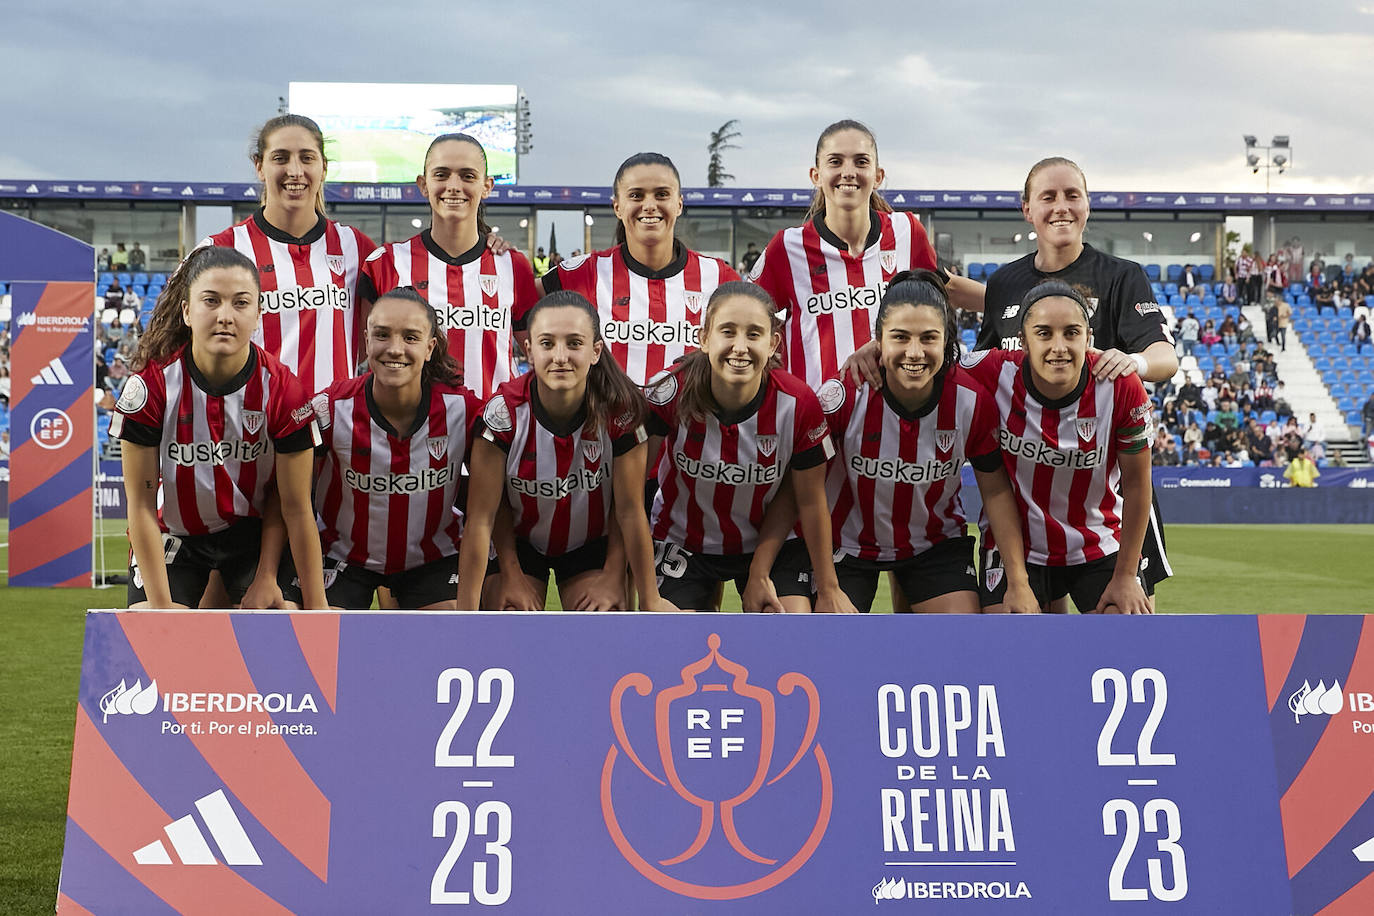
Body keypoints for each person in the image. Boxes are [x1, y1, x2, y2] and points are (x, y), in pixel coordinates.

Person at [972, 157, 1176, 605]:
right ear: (1027, 209)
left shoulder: (1122, 275)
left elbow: (1165, 356)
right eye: (1048, 196)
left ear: (1088, 205)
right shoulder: (1004, 283)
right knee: (1040, 648)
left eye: (1072, 195)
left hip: (1105, 493)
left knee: (1128, 627)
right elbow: (982, 366)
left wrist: (1132, 364)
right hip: (1028, 500)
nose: (1061, 207)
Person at [109, 246, 324, 610]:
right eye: (211, 301)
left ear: (258, 314)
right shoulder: (151, 388)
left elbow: (296, 507)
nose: (225, 315)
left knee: (280, 618)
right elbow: (141, 508)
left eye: (240, 303)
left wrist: (304, 603)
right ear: (187, 311)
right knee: (149, 624)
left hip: (253, 538)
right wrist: (163, 611)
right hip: (175, 536)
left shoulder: (285, 390)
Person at [820, 271, 1036, 613]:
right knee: (830, 647)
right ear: (878, 339)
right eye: (900, 337)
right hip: (846, 545)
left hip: (935, 546)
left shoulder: (971, 400)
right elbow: (805, 488)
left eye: (929, 338)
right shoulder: (846, 393)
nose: (915, 352)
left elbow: (995, 491)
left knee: (955, 644)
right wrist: (826, 583)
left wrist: (1019, 581)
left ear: (947, 340)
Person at [643, 282, 854, 613]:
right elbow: (629, 490)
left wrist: (828, 588)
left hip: (772, 541)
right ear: (703, 338)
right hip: (683, 541)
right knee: (675, 641)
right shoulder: (670, 391)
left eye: (754, 335)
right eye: (728, 332)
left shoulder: (798, 403)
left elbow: (809, 500)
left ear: (773, 344)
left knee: (788, 630)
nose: (739, 347)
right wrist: (630, 582)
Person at [457, 291, 671, 612]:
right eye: (547, 343)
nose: (560, 356)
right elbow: (483, 518)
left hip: (592, 544)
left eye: (574, 343)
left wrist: (618, 577)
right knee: (512, 617)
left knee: (604, 619)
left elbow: (629, 510)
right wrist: (501, 585)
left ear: (595, 351)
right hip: (518, 544)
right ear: (528, 350)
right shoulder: (502, 416)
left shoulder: (621, 414)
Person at [961, 281, 1154, 614]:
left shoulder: (1119, 384)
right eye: (1044, 333)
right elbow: (924, 361)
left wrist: (1125, 577)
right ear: (1023, 341)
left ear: (1088, 338)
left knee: (1128, 637)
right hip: (1017, 548)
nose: (1059, 346)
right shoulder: (992, 371)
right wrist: (875, 350)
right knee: (1013, 644)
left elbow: (1137, 485)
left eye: (1071, 332)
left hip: (1097, 544)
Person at [750, 119, 984, 390]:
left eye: (861, 162)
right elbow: (748, 315)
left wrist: (1015, 304)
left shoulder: (907, 231)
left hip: (891, 412)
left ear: (878, 175)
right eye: (835, 162)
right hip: (816, 416)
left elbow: (947, 289)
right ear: (816, 175)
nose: (848, 172)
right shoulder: (787, 247)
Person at [292, 288, 484, 610]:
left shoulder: (462, 409)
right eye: (382, 335)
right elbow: (290, 494)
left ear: (429, 347)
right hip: (343, 556)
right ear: (366, 340)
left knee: (447, 635)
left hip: (433, 558)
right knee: (321, 639)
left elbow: (494, 496)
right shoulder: (330, 408)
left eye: (411, 337)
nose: (395, 349)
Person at [202, 114, 378, 395]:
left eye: (307, 158)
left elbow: (375, 340)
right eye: (281, 158)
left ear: (324, 168)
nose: (295, 171)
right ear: (260, 166)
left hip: (334, 433)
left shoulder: (358, 248)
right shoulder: (220, 250)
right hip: (253, 431)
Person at [361, 133, 538, 401]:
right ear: (423, 184)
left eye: (467, 176)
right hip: (414, 434)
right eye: (442, 175)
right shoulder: (386, 263)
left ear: (487, 186)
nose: (454, 186)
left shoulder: (512, 265)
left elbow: (537, 354)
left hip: (497, 433)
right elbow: (363, 353)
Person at [536, 152, 739, 385]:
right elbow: (517, 302)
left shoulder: (719, 277)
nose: (650, 206)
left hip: (688, 420)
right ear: (618, 207)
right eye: (636, 195)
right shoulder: (583, 273)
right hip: (604, 421)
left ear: (679, 204)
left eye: (662, 194)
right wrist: (492, 250)